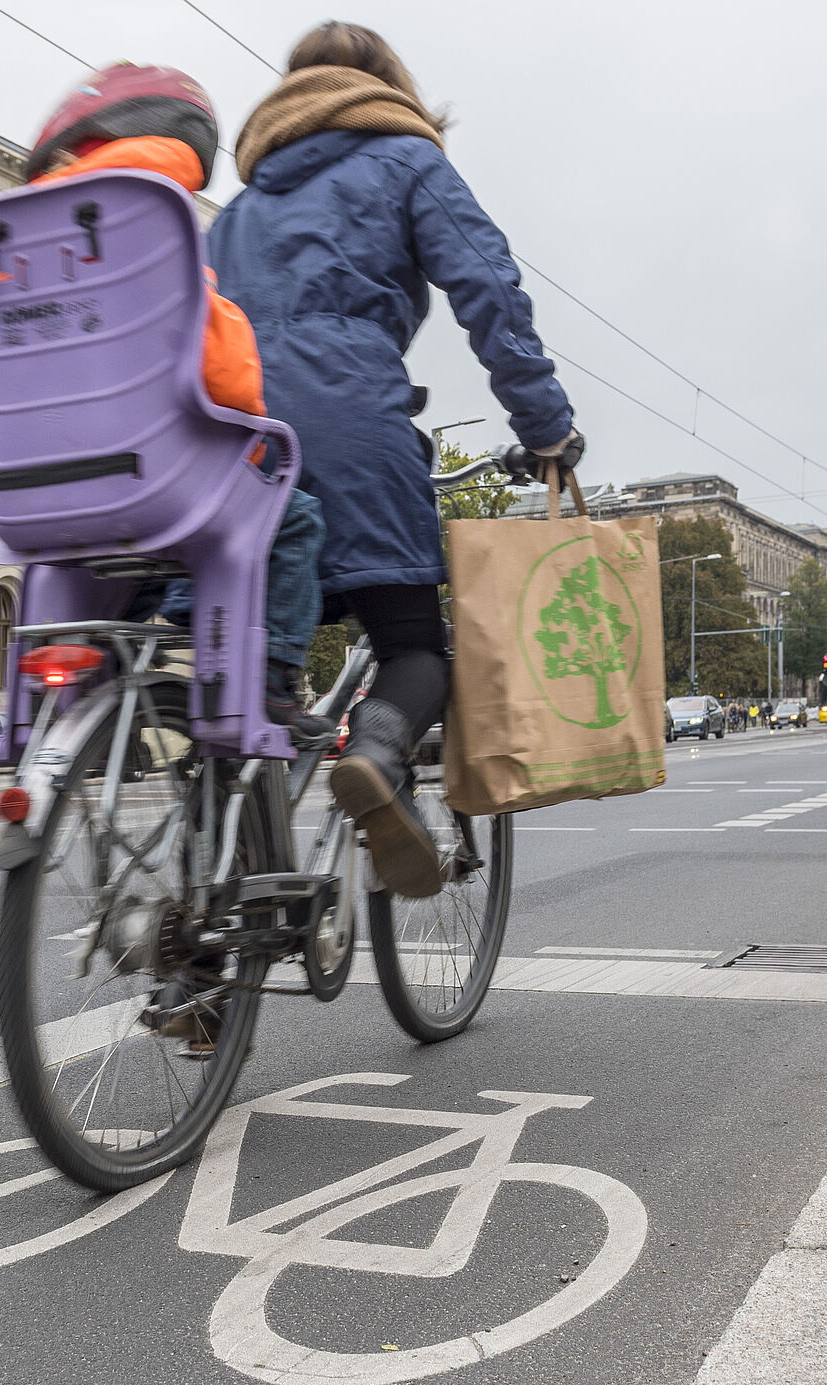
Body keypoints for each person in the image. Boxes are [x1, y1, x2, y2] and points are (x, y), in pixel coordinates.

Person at [209, 21, 581, 897]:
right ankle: (377, 755)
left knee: (251, 666)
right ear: (386, 89)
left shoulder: (238, 211)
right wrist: (546, 428)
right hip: (345, 420)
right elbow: (489, 288)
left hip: (227, 440)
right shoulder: (406, 160)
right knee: (414, 644)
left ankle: (220, 914)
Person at [24, 63, 332, 746]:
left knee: (109, 553)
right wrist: (249, 413)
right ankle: (272, 678)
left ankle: (95, 676)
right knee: (293, 517)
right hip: (155, 478)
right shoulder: (150, 212)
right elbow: (222, 374)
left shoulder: (23, 233)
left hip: (40, 492)